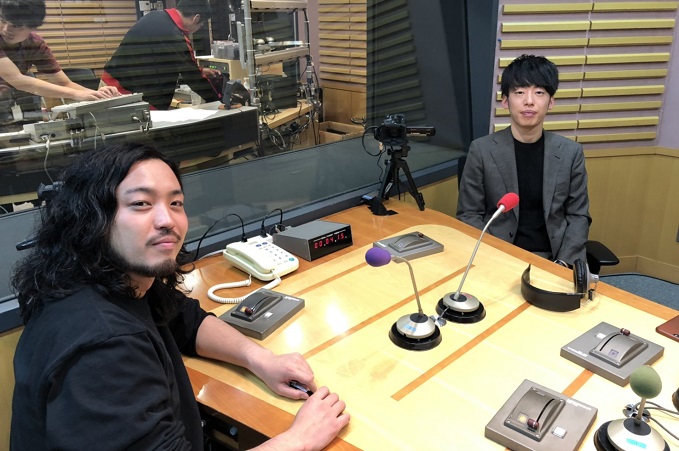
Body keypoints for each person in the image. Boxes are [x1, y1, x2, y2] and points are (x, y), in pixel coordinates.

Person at [10, 143, 350, 449]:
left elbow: (184, 318)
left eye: (175, 203)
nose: (167, 220)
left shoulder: (106, 279)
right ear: (91, 219)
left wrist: (259, 359)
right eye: (141, 204)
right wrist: (300, 439)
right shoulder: (104, 345)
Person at [457, 54, 591, 266]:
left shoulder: (570, 153)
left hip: (554, 258)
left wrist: (563, 263)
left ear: (551, 102)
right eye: (519, 92)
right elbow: (469, 215)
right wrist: (496, 258)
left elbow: (578, 216)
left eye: (539, 92)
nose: (529, 101)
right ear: (505, 101)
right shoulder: (481, 150)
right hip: (498, 256)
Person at [0, 0, 119, 113]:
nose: (5, 29)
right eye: (2, 20)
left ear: (33, 27)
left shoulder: (35, 44)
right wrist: (76, 94)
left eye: (16, 26)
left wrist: (99, 95)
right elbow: (18, 80)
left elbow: (64, 83)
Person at [102, 0, 222, 110]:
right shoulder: (175, 36)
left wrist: (200, 70)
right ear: (196, 18)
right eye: (201, 25)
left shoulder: (154, 17)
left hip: (108, 86)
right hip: (129, 97)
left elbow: (153, 60)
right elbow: (193, 78)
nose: (199, 28)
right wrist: (220, 102)